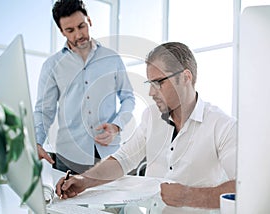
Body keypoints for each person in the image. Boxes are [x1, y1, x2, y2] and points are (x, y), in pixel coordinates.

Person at [55, 42, 237, 209]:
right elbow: (123, 159)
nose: (151, 92)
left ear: (185, 77)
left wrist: (188, 196)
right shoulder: (151, 116)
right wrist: (84, 180)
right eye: (150, 84)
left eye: (159, 83)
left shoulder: (222, 126)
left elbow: (243, 185)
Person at [34, 0, 135, 174]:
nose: (78, 35)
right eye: (70, 30)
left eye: (81, 26)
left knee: (112, 201)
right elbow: (44, 111)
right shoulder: (52, 66)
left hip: (109, 154)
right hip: (69, 158)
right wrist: (37, 142)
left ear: (89, 20)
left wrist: (117, 125)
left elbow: (128, 98)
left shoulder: (112, 58)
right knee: (68, 201)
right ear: (61, 31)